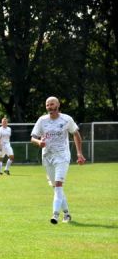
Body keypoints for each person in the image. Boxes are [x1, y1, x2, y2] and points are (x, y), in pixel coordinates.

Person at [31, 96, 86, 224]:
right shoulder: (42, 120)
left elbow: (76, 134)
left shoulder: (67, 119)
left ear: (58, 105)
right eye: (47, 105)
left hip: (62, 157)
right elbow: (33, 137)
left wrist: (79, 153)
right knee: (56, 187)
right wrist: (39, 142)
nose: (49, 107)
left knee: (59, 184)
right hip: (47, 157)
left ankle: (55, 215)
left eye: (52, 104)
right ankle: (67, 214)